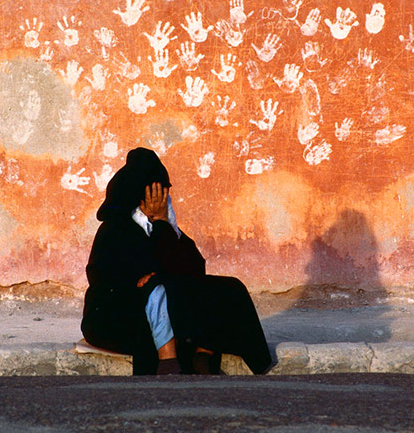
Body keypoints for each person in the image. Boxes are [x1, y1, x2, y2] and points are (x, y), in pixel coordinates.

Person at [81, 147, 273, 375]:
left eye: (164, 194)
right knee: (156, 289)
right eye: (155, 194)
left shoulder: (165, 228)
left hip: (161, 311)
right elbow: (116, 278)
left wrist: (162, 223)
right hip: (115, 317)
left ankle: (204, 354)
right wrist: (153, 274)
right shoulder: (114, 229)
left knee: (227, 288)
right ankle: (167, 362)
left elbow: (194, 269)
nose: (162, 201)